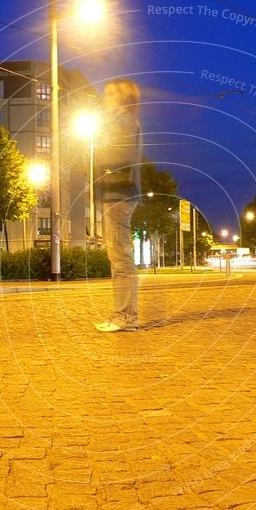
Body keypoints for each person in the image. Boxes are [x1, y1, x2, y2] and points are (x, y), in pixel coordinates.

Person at [94, 78, 143, 332]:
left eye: (112, 93)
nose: (107, 97)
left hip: (119, 194)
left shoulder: (123, 121)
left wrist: (97, 151)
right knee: (118, 257)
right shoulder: (123, 121)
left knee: (121, 258)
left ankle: (125, 318)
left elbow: (119, 155)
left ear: (124, 98)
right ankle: (122, 315)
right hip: (118, 193)